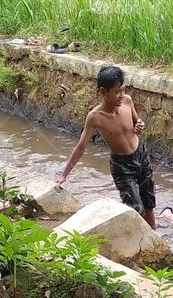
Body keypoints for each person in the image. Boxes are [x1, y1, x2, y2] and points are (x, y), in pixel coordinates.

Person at [58, 65, 156, 229]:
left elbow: (136, 123)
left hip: (141, 154)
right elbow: (81, 147)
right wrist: (64, 174)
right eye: (117, 91)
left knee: (149, 202)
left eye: (123, 89)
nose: (121, 95)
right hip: (122, 165)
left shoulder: (127, 101)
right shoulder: (95, 117)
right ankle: (137, 240)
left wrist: (139, 125)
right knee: (136, 209)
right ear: (103, 92)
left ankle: (155, 236)